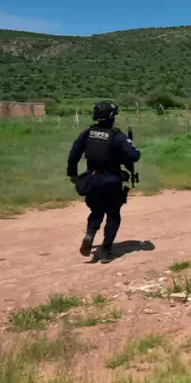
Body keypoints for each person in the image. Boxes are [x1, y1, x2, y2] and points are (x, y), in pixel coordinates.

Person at [66, 100, 141, 263]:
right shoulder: (117, 136)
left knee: (96, 211)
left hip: (92, 179)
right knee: (113, 214)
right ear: (112, 116)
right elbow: (135, 155)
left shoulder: (87, 133)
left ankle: (90, 234)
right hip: (112, 180)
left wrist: (72, 174)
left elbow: (73, 155)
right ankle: (106, 250)